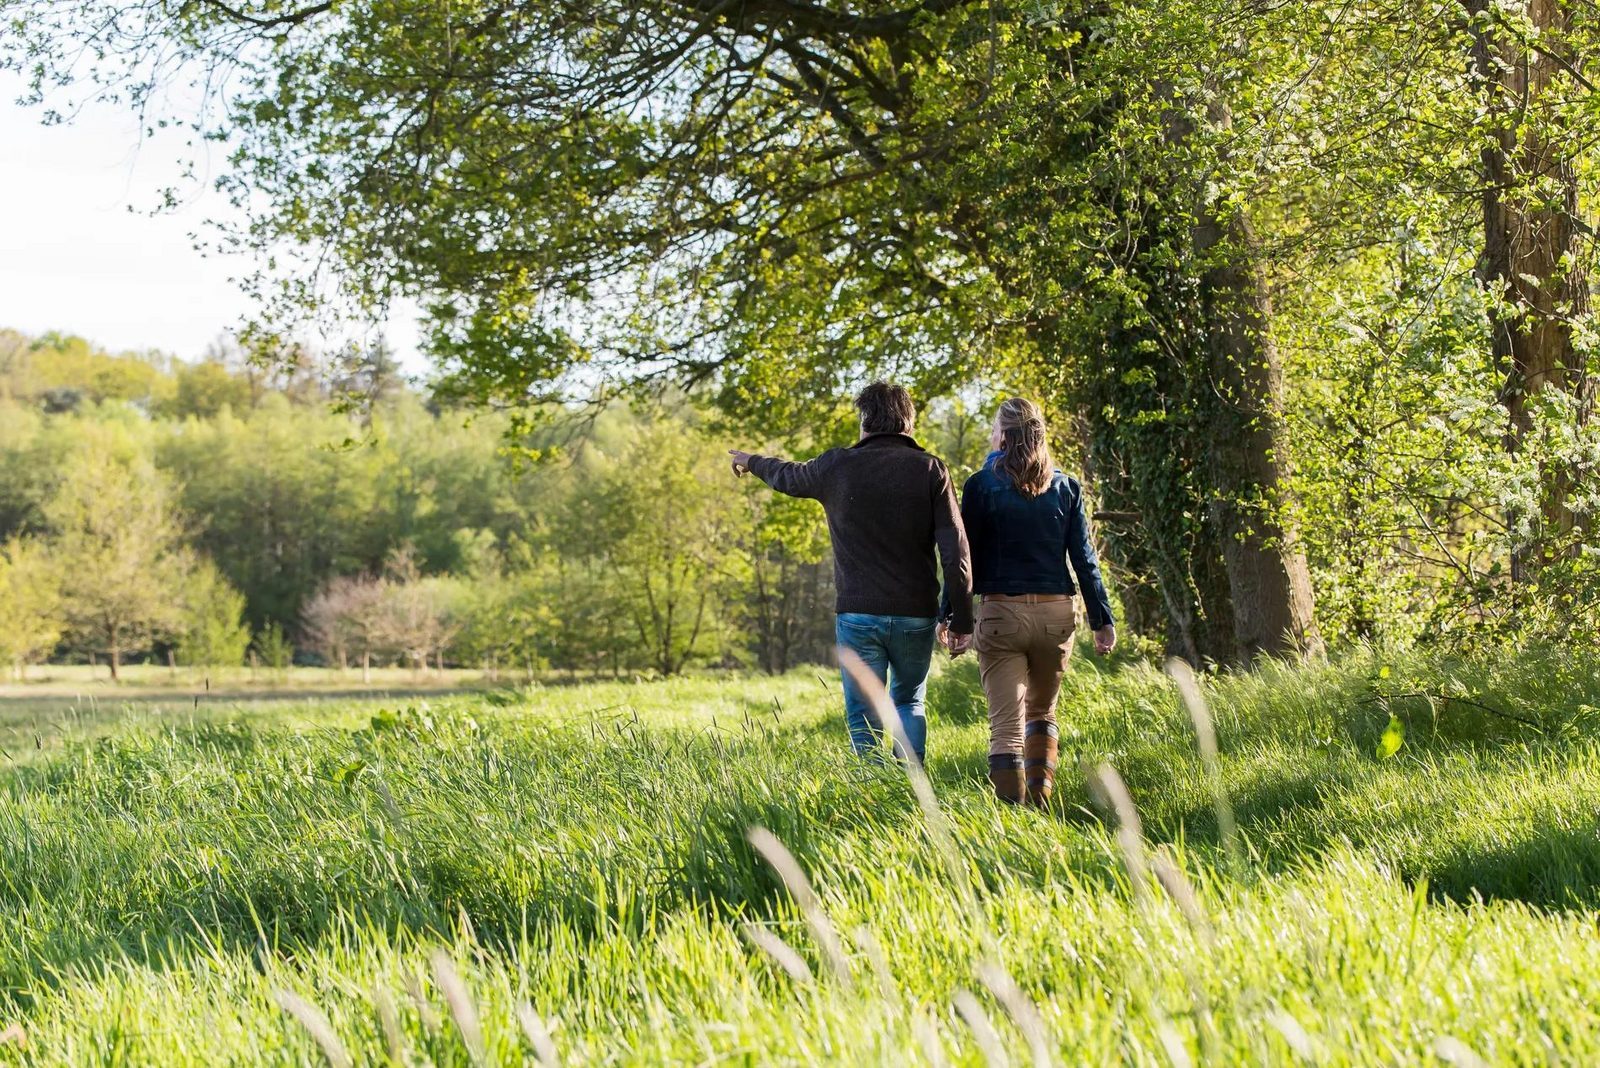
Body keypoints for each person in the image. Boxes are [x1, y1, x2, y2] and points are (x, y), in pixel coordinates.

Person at [729, 382, 974, 763]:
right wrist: (960, 616)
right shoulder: (930, 469)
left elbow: (787, 475)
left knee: (864, 716)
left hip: (858, 615)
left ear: (865, 422)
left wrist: (750, 460)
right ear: (907, 422)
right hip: (916, 614)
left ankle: (874, 795)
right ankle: (913, 786)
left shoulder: (837, 466)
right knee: (909, 701)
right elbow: (956, 550)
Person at [940, 398, 1116, 807]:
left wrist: (951, 616)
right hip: (1057, 616)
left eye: (994, 429)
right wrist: (1101, 619)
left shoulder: (981, 486)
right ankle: (1041, 802)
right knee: (1042, 712)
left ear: (1003, 435)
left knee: (1005, 728)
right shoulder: (1066, 485)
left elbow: (965, 560)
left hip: (1002, 615)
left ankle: (1017, 823)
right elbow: (1084, 560)